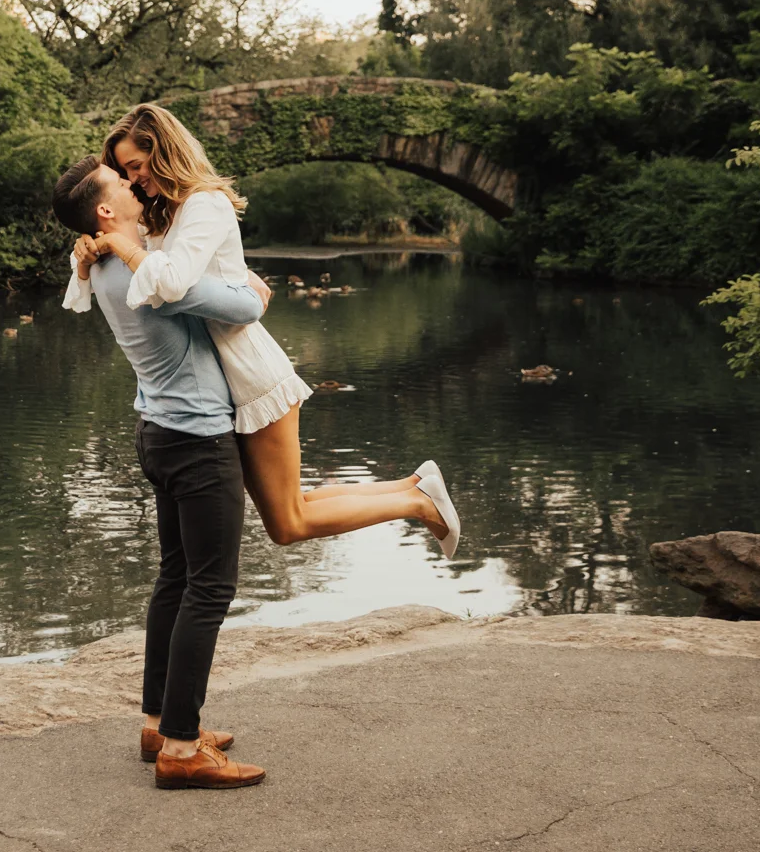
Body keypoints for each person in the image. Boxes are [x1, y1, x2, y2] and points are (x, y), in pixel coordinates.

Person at [67, 103, 461, 555]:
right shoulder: (164, 212)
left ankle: (416, 503)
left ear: (163, 152)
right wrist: (87, 249)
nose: (133, 179)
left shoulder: (202, 203)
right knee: (291, 507)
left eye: (135, 166)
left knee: (287, 523)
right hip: (225, 385)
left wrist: (119, 244)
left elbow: (170, 280)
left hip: (252, 376)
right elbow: (164, 265)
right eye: (123, 172)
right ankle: (415, 485)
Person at [53, 153, 268, 791]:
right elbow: (241, 305)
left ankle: (159, 722)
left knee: (175, 579)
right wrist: (252, 290)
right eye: (124, 181)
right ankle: (180, 748)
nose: (137, 182)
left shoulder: (115, 265)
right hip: (198, 439)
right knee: (210, 589)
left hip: (159, 432)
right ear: (104, 209)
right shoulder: (144, 274)